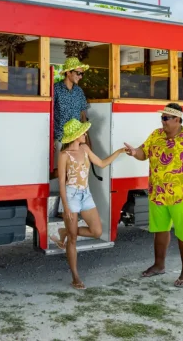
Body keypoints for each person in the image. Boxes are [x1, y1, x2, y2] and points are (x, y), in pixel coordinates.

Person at [123, 103, 183, 288]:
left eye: (166, 118)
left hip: (182, 195)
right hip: (158, 194)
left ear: (177, 119)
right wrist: (134, 152)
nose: (163, 121)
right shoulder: (156, 135)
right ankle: (159, 265)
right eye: (162, 118)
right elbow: (144, 153)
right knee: (160, 231)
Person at [51, 118, 124, 290]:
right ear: (76, 136)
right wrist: (66, 207)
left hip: (86, 194)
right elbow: (61, 182)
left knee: (97, 231)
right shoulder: (64, 156)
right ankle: (75, 277)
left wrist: (120, 151)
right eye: (83, 133)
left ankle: (64, 232)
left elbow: (102, 163)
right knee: (74, 239)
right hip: (71, 196)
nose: (85, 135)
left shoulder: (85, 148)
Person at [52, 57, 90, 174]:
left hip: (76, 139)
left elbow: (83, 114)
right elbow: (50, 113)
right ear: (68, 73)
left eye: (82, 74)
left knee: (75, 171)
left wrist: (86, 137)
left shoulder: (79, 91)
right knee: (59, 172)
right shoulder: (55, 89)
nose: (80, 76)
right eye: (78, 73)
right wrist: (52, 138)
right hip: (60, 138)